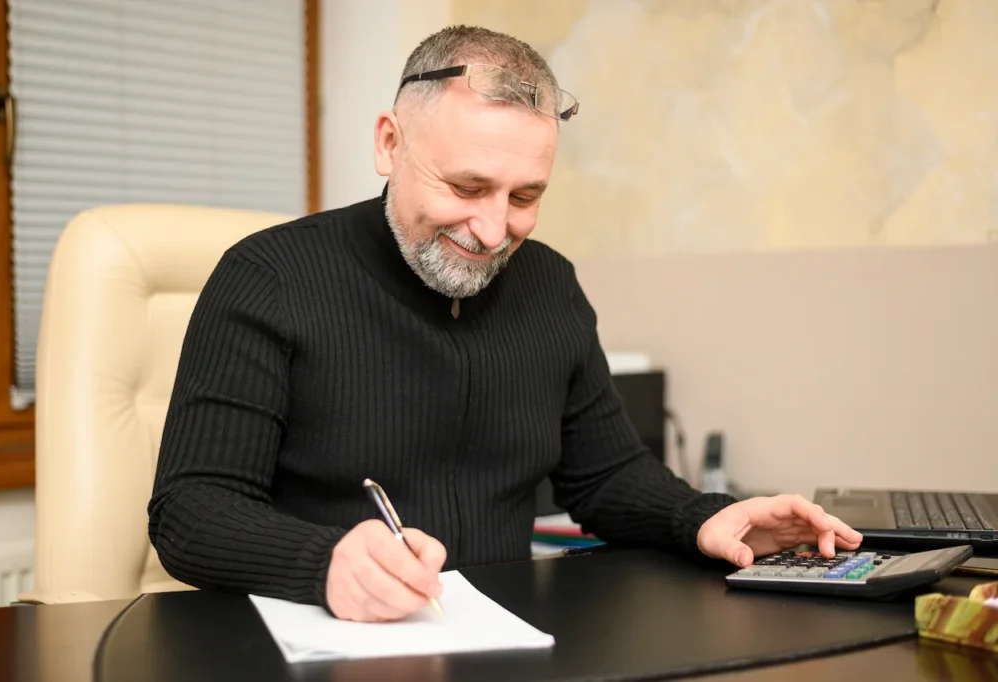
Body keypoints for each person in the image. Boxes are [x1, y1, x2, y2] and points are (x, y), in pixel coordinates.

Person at [147, 25, 862, 623]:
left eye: (525, 196)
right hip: (317, 639)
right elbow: (191, 510)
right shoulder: (268, 277)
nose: (493, 231)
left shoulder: (549, 284)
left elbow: (605, 475)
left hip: (500, 640)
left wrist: (705, 518)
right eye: (466, 187)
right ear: (389, 144)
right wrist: (323, 563)